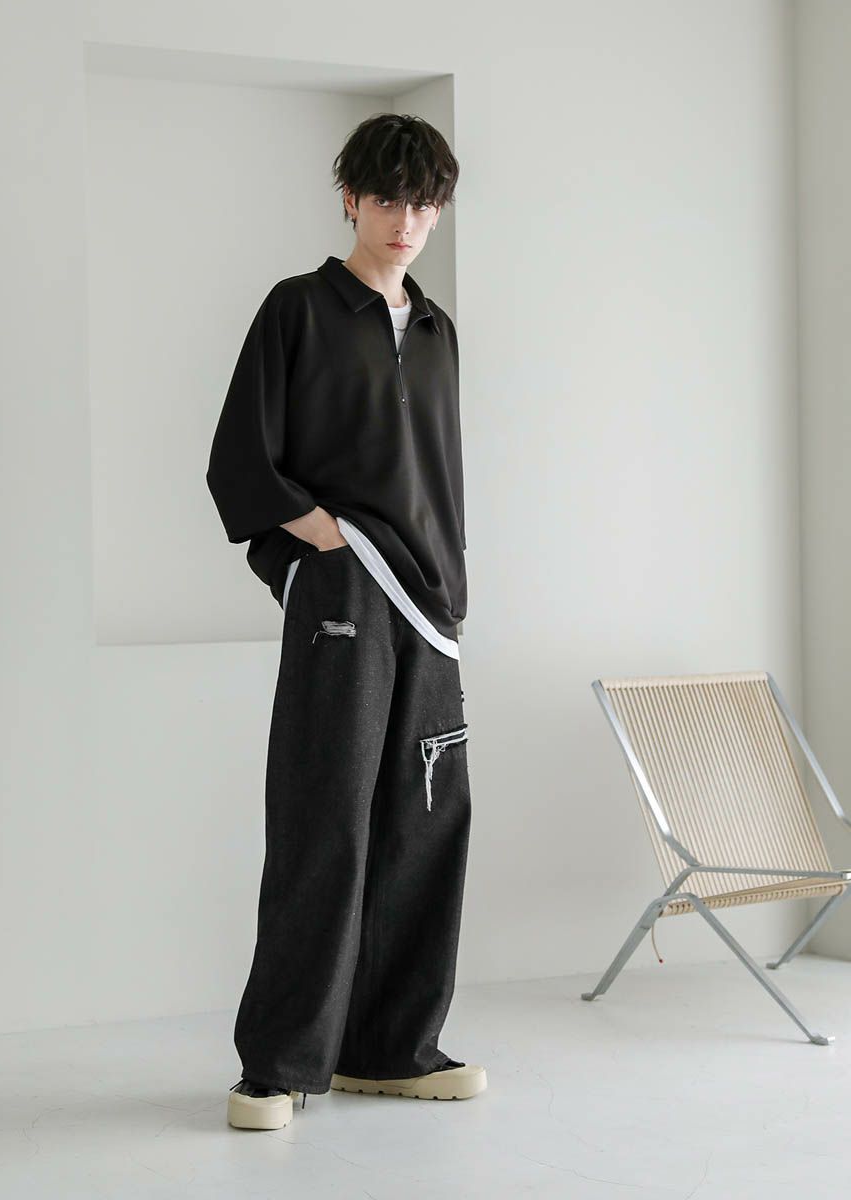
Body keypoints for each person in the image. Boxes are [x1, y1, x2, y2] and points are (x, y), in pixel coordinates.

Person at [206, 112, 486, 1132]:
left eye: (424, 204)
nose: (406, 220)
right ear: (351, 201)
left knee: (424, 825)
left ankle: (392, 1049)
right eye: (388, 199)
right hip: (345, 595)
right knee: (323, 819)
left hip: (431, 613)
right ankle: (277, 1067)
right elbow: (239, 458)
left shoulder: (439, 332)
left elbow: (440, 481)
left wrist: (452, 590)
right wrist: (318, 541)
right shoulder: (299, 309)